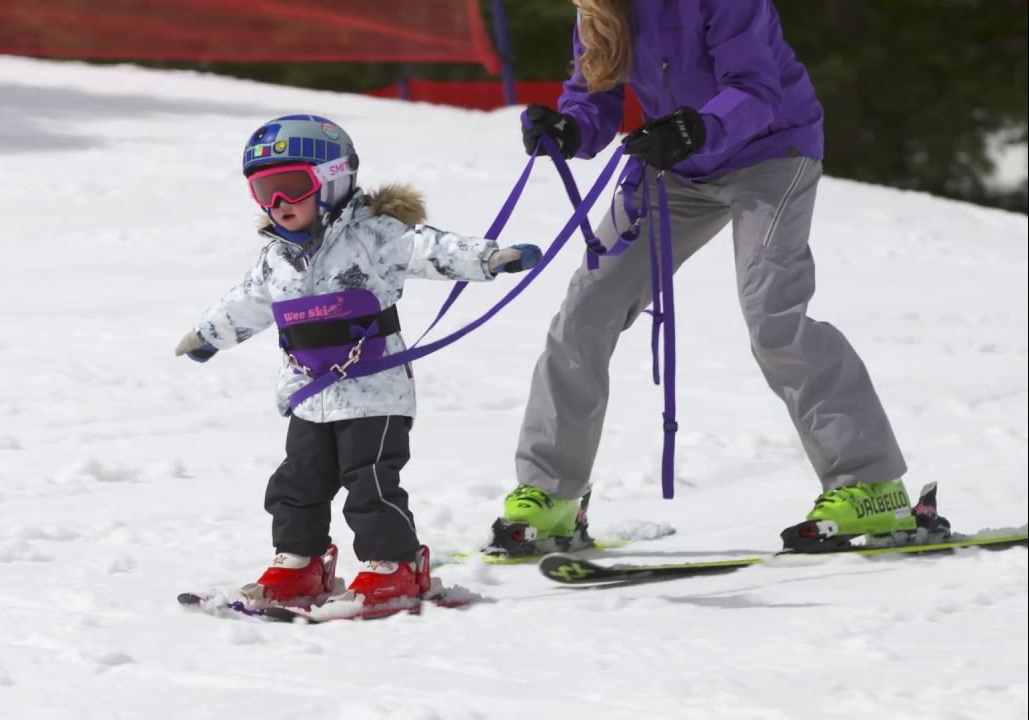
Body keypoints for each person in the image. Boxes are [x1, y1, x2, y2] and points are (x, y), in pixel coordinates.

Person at [488, 0, 913, 557]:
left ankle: (871, 485)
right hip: (677, 166)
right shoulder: (600, 7)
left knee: (772, 316)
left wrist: (698, 128)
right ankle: (551, 497)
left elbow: (758, 90)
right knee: (585, 312)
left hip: (770, 152)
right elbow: (596, 93)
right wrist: (568, 128)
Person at [176, 114, 544, 604]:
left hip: (375, 393)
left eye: (290, 186)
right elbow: (248, 301)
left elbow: (429, 248)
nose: (277, 204)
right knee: (296, 481)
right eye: (264, 191)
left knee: (369, 482)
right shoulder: (276, 256)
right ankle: (300, 563)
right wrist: (208, 334)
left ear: (332, 179)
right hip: (309, 394)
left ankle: (397, 566)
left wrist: (491, 258)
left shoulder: (374, 234)